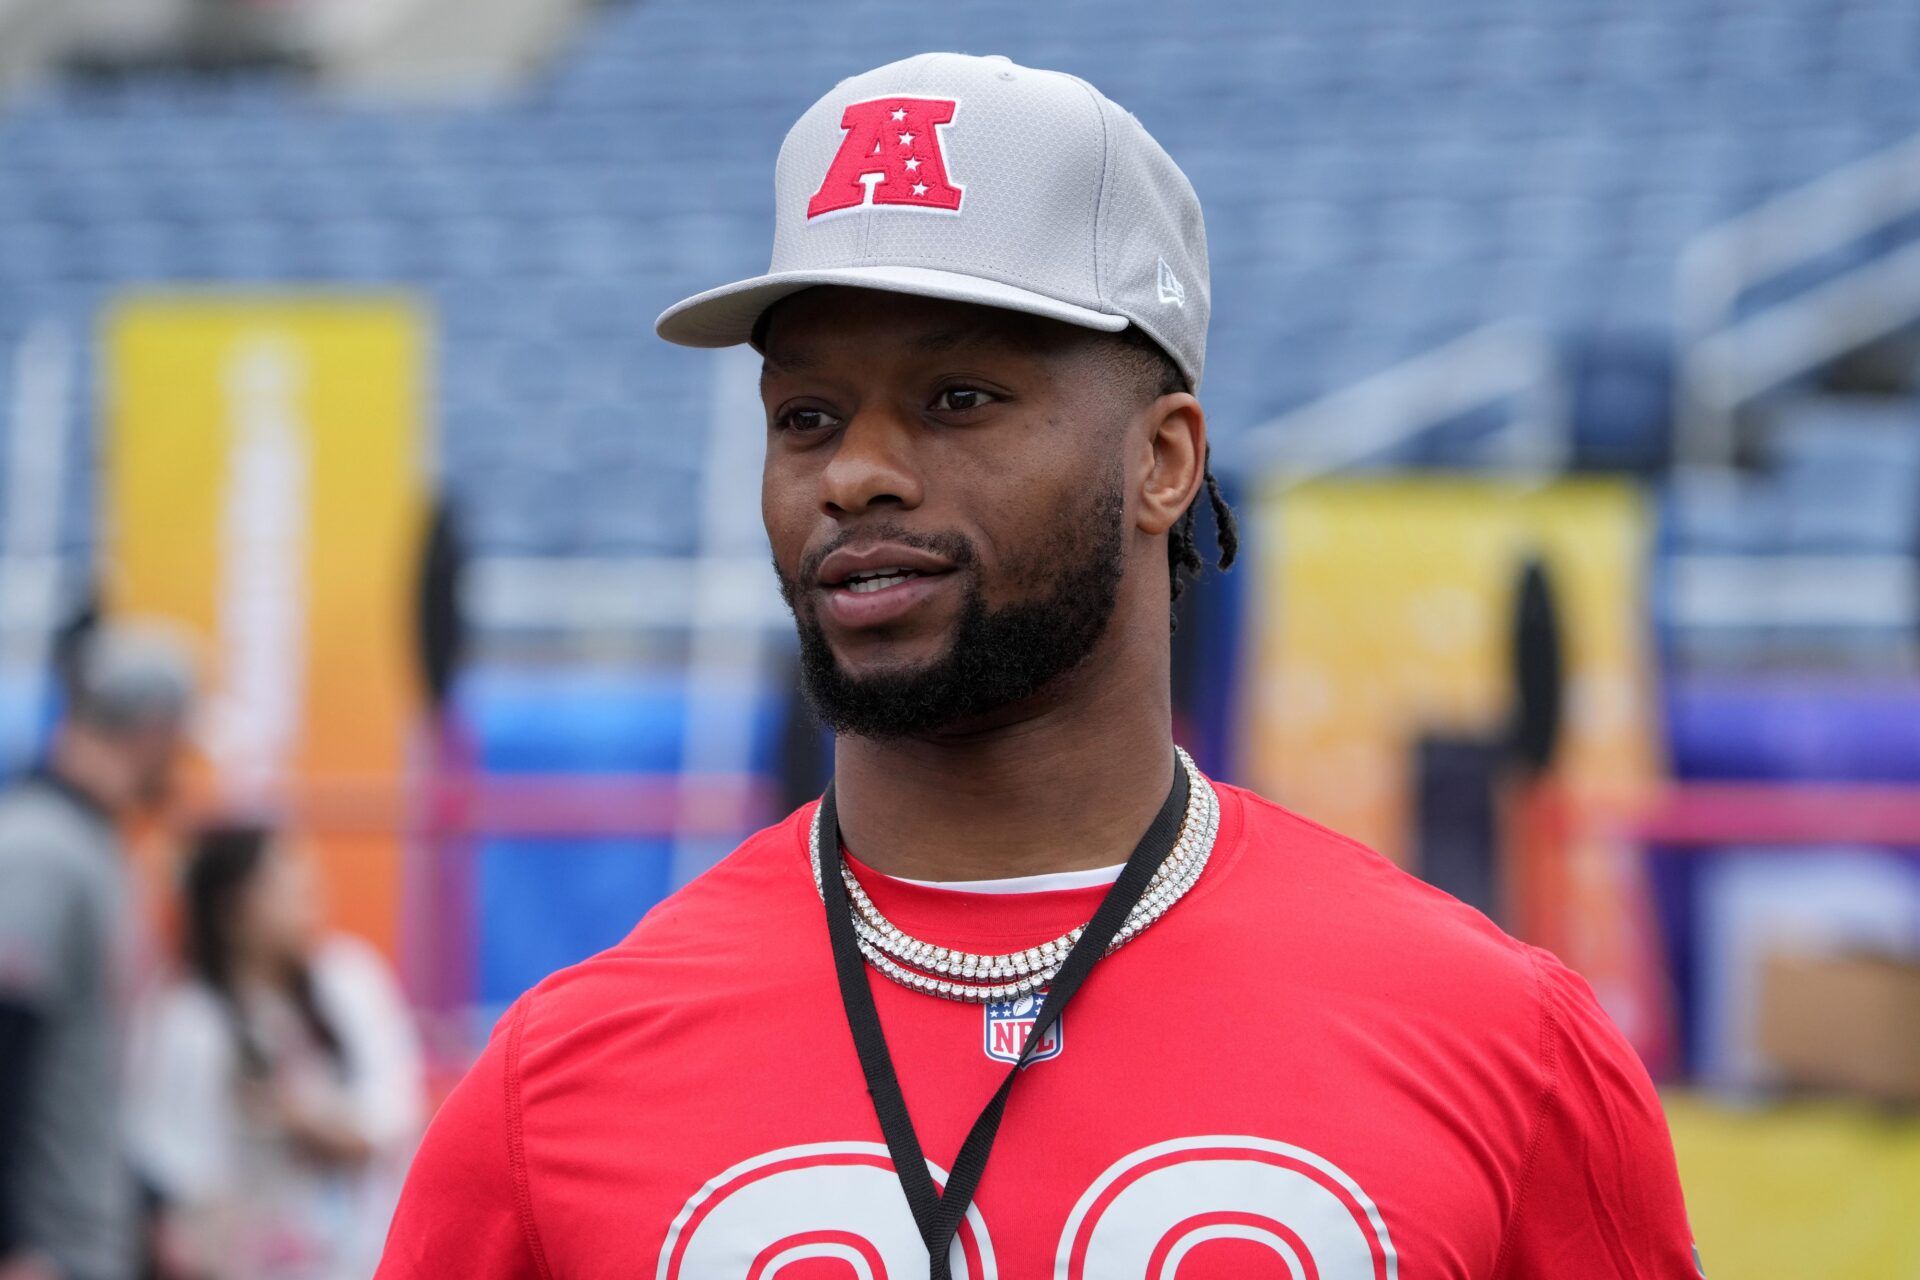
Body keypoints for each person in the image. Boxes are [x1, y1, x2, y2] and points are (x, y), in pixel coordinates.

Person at [376, 52, 1702, 1278]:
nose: (856, 474)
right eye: (806, 416)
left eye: (959, 399)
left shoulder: (1503, 1049)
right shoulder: (557, 1088)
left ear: (1165, 461)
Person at [128, 824, 423, 1280]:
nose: (309, 899)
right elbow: (173, 1165)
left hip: (353, 1257)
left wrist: (310, 1123)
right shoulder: (188, 1018)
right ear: (232, 909)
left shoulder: (349, 981)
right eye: (284, 888)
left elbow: (393, 1115)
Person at [0, 623, 194, 1280]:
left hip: (82, 1241)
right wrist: (13, 1242)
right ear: (149, 728)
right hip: (48, 1251)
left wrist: (149, 1203)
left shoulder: (94, 847)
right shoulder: (40, 848)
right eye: (178, 739)